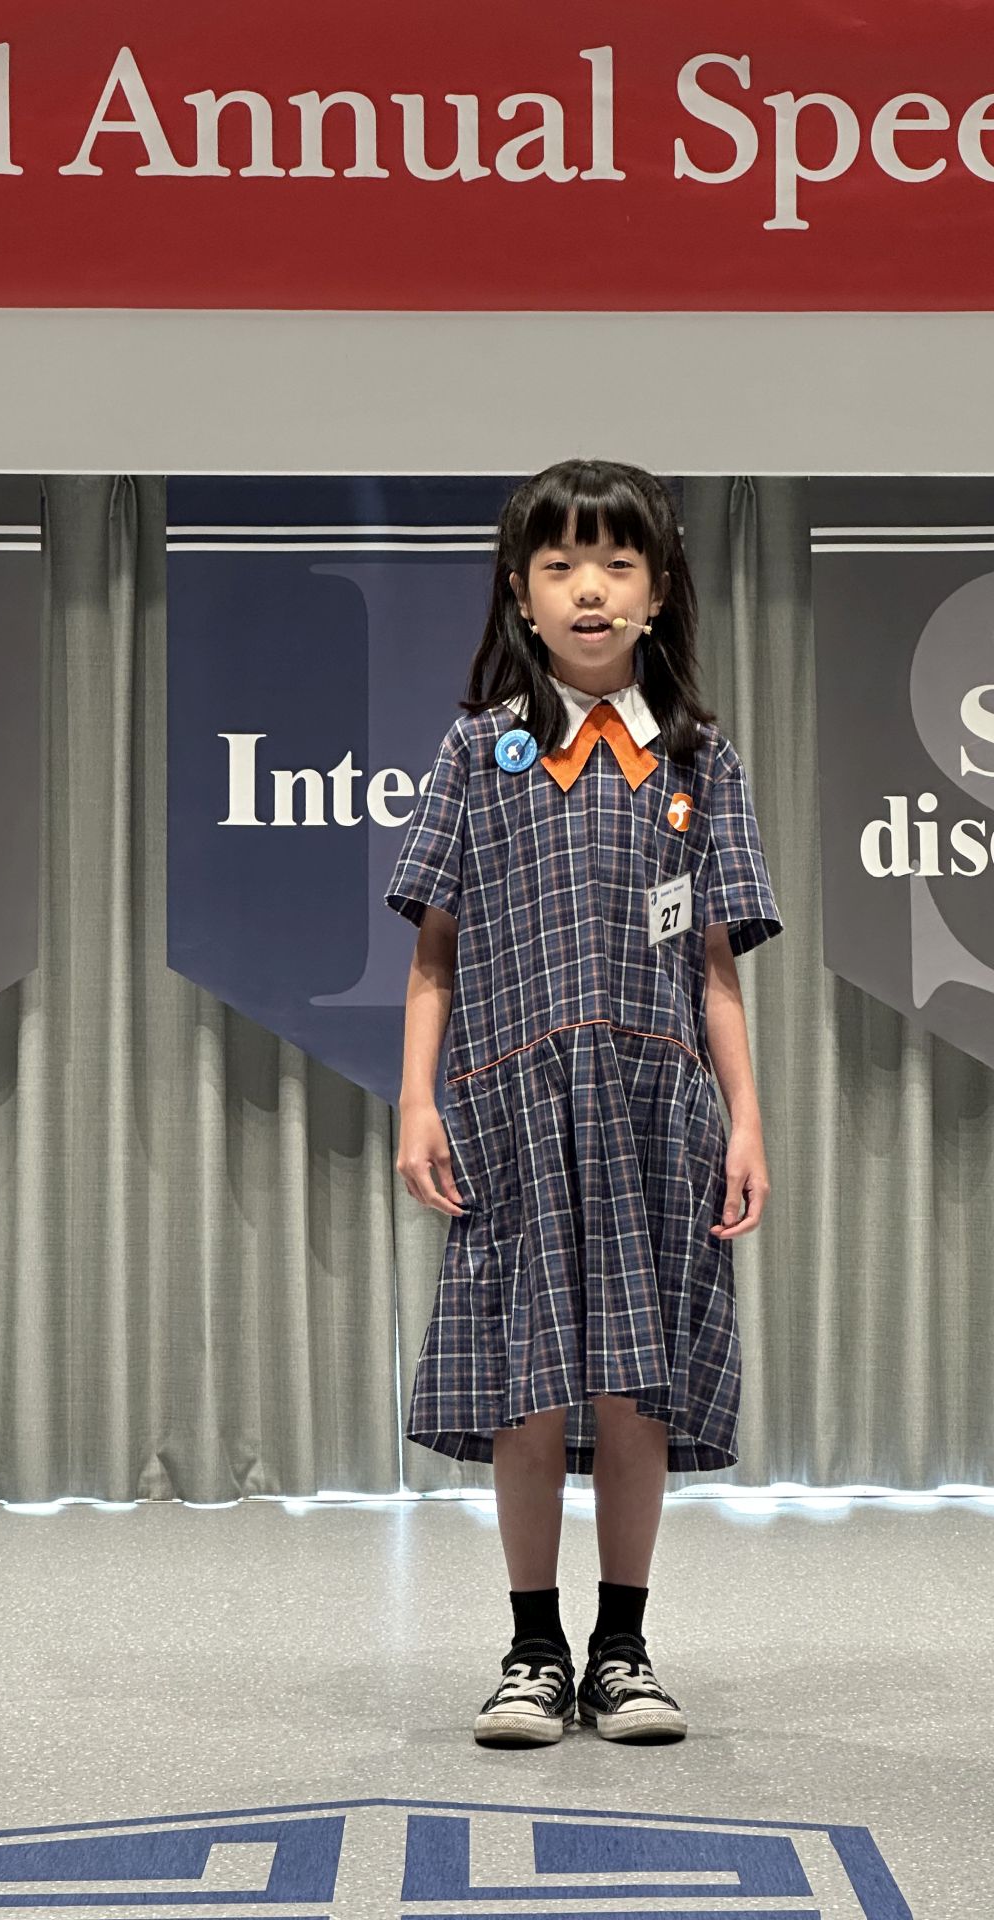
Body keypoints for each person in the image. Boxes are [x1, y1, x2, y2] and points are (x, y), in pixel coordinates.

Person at [385, 456, 783, 1749]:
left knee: (634, 1388)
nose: (590, 589)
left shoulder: (701, 760)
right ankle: (530, 1650)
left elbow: (714, 964)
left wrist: (746, 1120)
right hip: (512, 1109)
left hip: (657, 1114)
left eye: (617, 563)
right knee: (527, 1381)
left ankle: (622, 1648)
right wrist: (417, 1104)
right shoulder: (479, 750)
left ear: (659, 592)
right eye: (560, 566)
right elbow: (435, 954)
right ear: (522, 593)